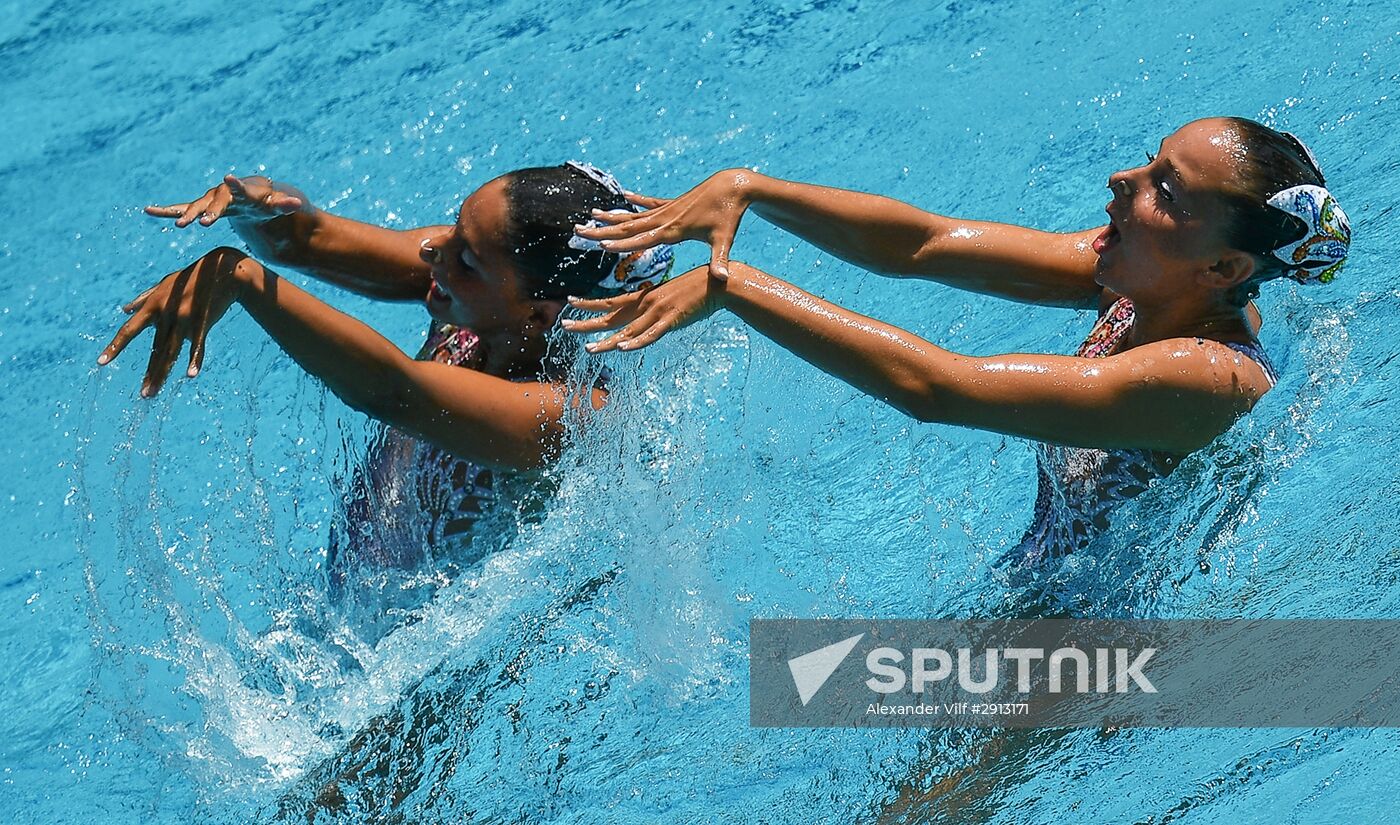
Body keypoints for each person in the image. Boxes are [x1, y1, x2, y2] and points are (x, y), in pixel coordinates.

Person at [564, 117, 1350, 568]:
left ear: (1225, 265)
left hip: (1089, 685)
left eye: (1162, 190)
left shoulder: (1205, 376)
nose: (1121, 180)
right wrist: (752, 192)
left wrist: (729, 286)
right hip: (1032, 620)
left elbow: (938, 388)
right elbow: (925, 244)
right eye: (1149, 161)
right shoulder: (1146, 277)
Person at [100, 162, 673, 623]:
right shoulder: (470, 293)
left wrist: (240, 277)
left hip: (444, 656)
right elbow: (306, 239)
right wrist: (256, 204)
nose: (432, 252)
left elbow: (396, 392)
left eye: (465, 256)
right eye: (452, 229)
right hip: (357, 602)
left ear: (542, 313)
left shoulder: (575, 411)